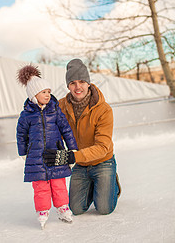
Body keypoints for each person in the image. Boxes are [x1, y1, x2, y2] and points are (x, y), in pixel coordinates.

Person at [43, 59, 121, 216]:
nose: (78, 87)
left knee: (104, 208)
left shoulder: (103, 110)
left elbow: (102, 147)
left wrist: (70, 156)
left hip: (103, 161)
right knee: (76, 209)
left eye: (82, 81)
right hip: (80, 163)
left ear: (88, 84)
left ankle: (111, 182)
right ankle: (95, 185)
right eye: (72, 83)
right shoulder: (61, 106)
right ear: (68, 86)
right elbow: (45, 122)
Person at [16, 64, 78, 229]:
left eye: (49, 91)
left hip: (56, 153)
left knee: (59, 183)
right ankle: (42, 211)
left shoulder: (55, 111)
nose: (48, 95)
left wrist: (72, 149)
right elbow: (21, 134)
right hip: (35, 157)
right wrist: (23, 152)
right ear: (34, 95)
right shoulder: (26, 115)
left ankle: (63, 208)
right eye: (44, 92)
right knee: (40, 186)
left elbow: (66, 129)